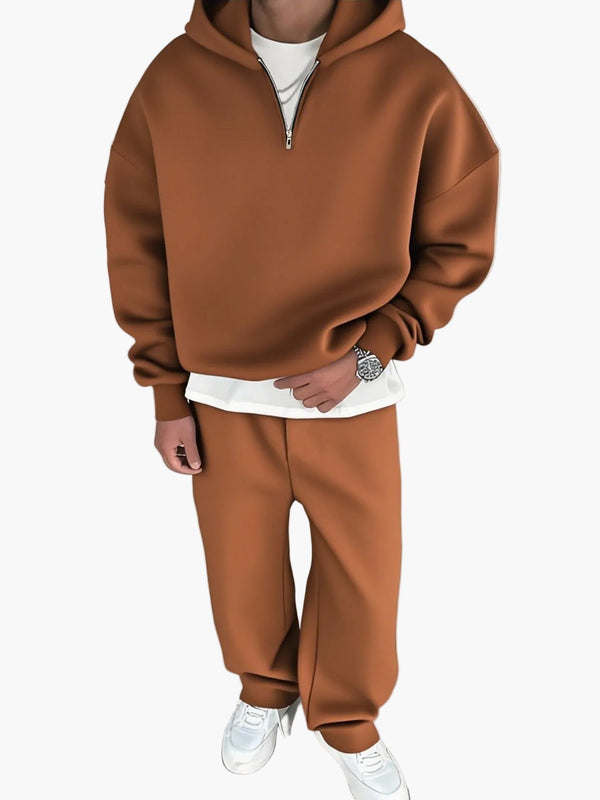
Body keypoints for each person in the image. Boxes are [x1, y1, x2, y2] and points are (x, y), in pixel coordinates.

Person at [103, 0, 499, 797]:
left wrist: (370, 352)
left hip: (350, 395)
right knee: (239, 569)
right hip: (221, 397)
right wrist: (165, 391)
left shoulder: (414, 80)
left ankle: (350, 724)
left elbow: (460, 236)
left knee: (364, 575)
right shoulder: (174, 79)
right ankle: (264, 688)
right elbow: (137, 238)